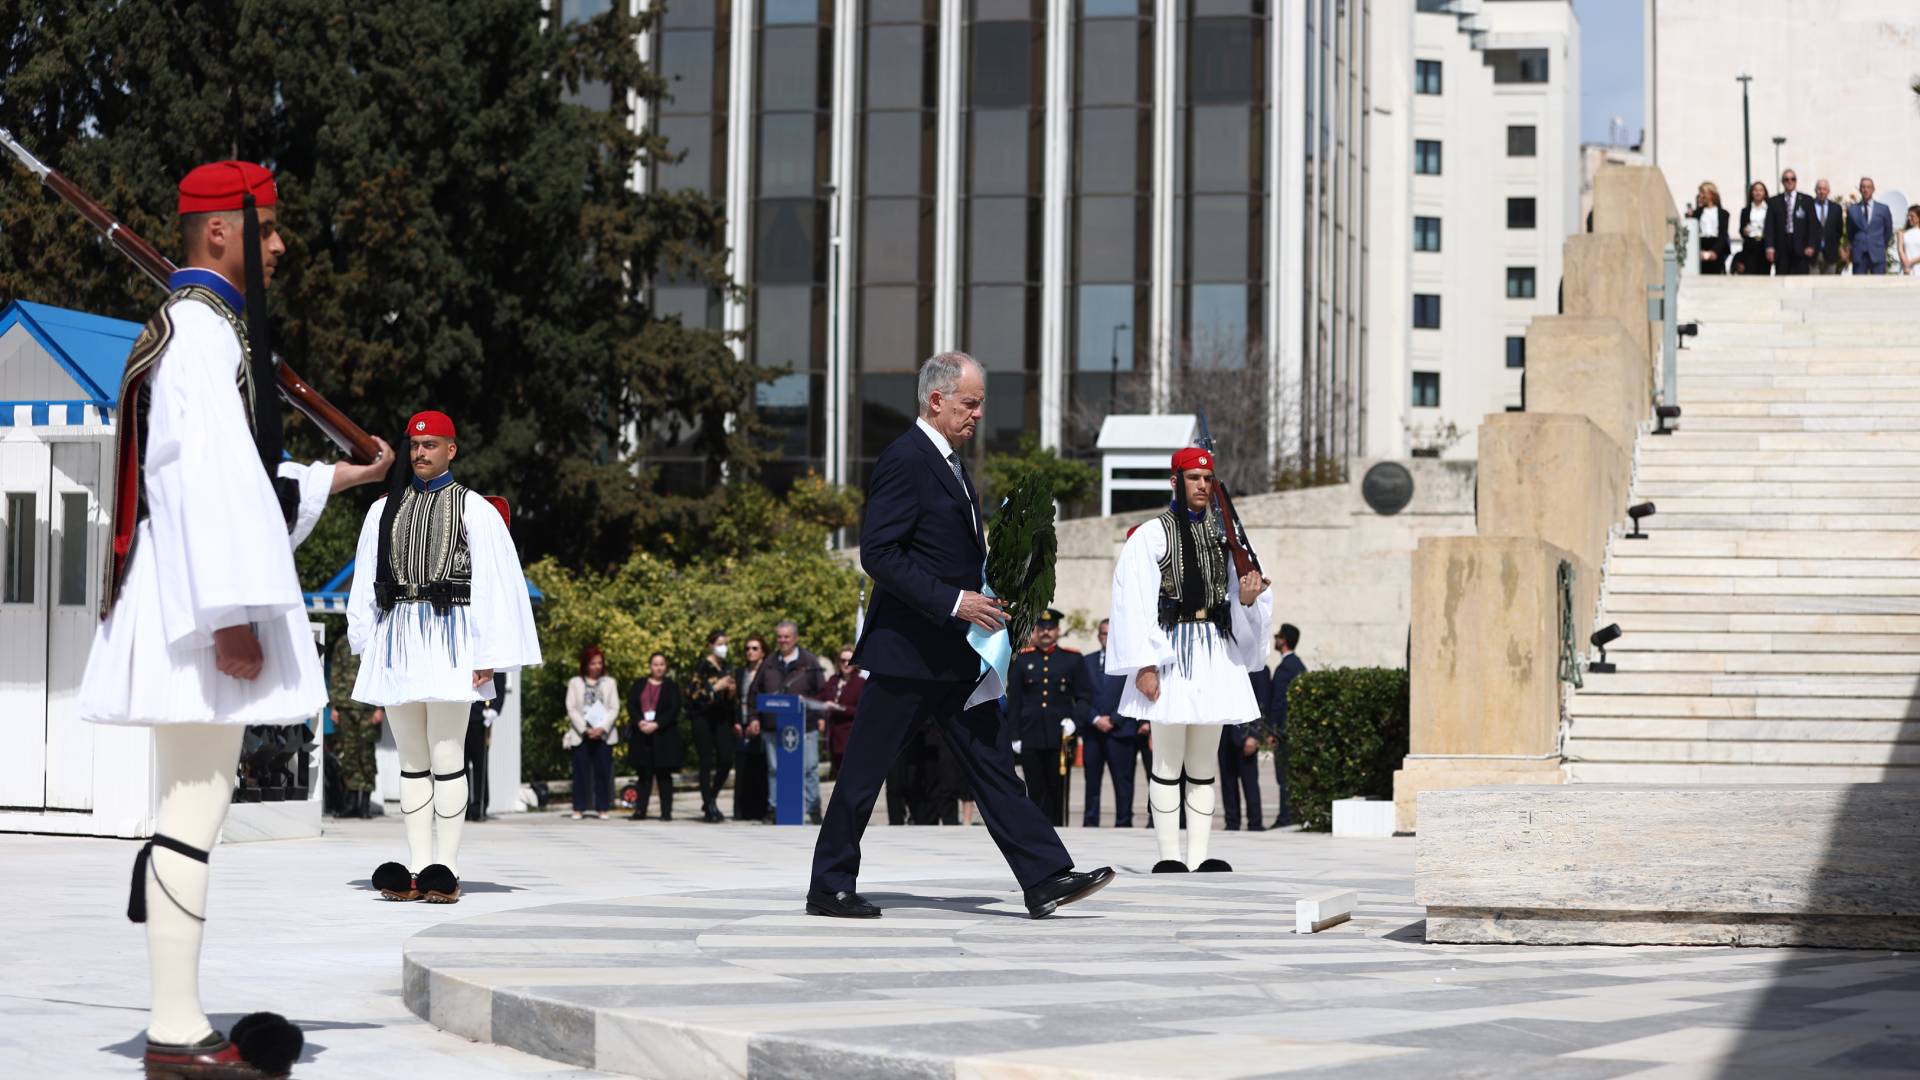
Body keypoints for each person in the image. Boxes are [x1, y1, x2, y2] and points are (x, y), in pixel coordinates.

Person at [77, 159, 394, 1078]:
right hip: (193, 603)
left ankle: (176, 1021)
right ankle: (176, 1033)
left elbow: (246, 480)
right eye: (271, 228)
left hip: (179, 596)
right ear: (222, 232)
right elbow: (204, 487)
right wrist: (232, 616)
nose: (283, 245)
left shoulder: (203, 332)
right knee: (194, 808)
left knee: (189, 803)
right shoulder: (201, 338)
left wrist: (339, 475)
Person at [808, 351, 1113, 919]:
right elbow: (879, 553)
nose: (977, 415)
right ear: (937, 400)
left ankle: (1045, 876)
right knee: (864, 773)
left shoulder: (949, 463)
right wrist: (955, 601)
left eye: (979, 404)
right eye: (970, 404)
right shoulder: (907, 458)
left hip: (954, 653)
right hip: (907, 653)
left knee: (994, 767)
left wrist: (992, 598)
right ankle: (829, 886)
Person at [347, 409, 542, 903]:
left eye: (430, 445)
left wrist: (489, 652)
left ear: (451, 450)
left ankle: (446, 868)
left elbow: (495, 585)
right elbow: (366, 582)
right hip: (398, 639)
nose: (420, 453)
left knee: (447, 753)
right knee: (412, 759)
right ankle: (416, 869)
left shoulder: (474, 508)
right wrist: (366, 643)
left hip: (452, 637)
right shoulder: (382, 509)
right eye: (415, 446)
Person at [1107, 446, 1273, 873]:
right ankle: (1168, 854)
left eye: (1208, 478)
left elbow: (1243, 599)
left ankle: (1198, 856)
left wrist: (1250, 599)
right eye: (1194, 478)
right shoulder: (1151, 535)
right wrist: (1143, 664)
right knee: (1166, 759)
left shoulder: (1225, 536)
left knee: (1203, 763)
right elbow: (1134, 602)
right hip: (1169, 651)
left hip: (1215, 651)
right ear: (1175, 482)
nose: (1202, 485)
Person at [1005, 608, 1090, 827]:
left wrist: (1075, 722)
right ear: (1035, 631)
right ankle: (1037, 830)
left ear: (1057, 631)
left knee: (1057, 788)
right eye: (1041, 628)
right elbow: (1014, 701)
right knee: (1035, 787)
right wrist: (1014, 735)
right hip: (1030, 735)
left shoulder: (1072, 660)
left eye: (1050, 628)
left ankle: (1059, 830)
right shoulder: (1022, 660)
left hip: (1059, 736)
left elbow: (1084, 697)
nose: (1045, 632)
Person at [750, 620, 827, 823]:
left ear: (796, 638)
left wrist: (821, 717)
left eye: (787, 637)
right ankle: (774, 809)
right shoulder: (768, 663)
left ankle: (814, 809)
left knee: (809, 768)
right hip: (773, 726)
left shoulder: (809, 662)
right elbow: (755, 692)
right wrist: (753, 718)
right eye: (779, 637)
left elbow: (822, 692)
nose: (782, 641)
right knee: (774, 769)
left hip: (805, 726)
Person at [1079, 618, 1138, 827]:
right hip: (1093, 731)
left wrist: (1114, 719)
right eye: (1104, 634)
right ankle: (1090, 821)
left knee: (1123, 782)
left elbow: (1133, 694)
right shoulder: (1086, 662)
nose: (1107, 638)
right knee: (1092, 782)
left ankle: (1124, 822)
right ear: (1099, 637)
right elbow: (1079, 696)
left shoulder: (1129, 663)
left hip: (1120, 731)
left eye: (1111, 635)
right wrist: (1095, 718)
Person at [684, 631, 738, 822]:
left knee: (726, 759)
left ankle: (711, 798)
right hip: (702, 718)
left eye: (726, 643)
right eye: (720, 644)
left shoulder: (727, 667)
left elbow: (731, 699)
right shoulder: (702, 666)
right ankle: (709, 805)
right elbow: (693, 694)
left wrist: (731, 692)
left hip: (721, 717)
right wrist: (715, 688)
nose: (724, 647)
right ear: (711, 645)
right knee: (706, 761)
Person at [327, 633, 382, 819]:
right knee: (348, 755)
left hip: (367, 708)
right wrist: (334, 706)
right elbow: (335, 673)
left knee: (365, 756)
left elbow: (381, 672)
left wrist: (380, 707)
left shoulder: (375, 640)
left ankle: (364, 805)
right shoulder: (342, 642)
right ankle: (350, 804)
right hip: (345, 707)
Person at [628, 652, 684, 820]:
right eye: (655, 664)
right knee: (644, 775)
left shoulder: (671, 686)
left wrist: (657, 724)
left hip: (664, 735)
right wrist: (640, 722)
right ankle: (640, 810)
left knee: (664, 776)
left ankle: (666, 812)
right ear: (650, 666)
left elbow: (674, 709)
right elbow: (631, 705)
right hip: (642, 734)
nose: (658, 668)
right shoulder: (639, 684)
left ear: (665, 667)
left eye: (661, 664)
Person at [564, 647, 619, 819]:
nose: (596, 666)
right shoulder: (575, 683)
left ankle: (602, 807)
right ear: (585, 664)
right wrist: (585, 729)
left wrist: (602, 727)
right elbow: (571, 708)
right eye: (593, 663)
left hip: (603, 733)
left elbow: (614, 707)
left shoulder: (610, 683)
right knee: (580, 772)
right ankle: (578, 807)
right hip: (582, 733)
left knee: (603, 772)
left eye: (599, 663)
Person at [1269, 623, 1305, 830]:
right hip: (1292, 730)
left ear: (1283, 640)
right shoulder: (1298, 665)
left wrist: (1274, 731)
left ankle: (1285, 817)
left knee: (1283, 777)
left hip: (1284, 732)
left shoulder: (1285, 669)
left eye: (1277, 636)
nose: (1275, 639)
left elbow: (1280, 703)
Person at [1218, 672, 1265, 831]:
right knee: (1228, 784)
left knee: (1250, 784)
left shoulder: (1259, 669)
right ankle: (1231, 823)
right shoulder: (1221, 666)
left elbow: (1262, 703)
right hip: (1223, 736)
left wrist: (1255, 735)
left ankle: (1255, 824)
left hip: (1246, 737)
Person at [732, 635, 770, 821]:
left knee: (760, 767)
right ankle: (741, 811)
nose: (750, 652)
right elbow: (736, 700)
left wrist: (760, 721)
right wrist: (737, 721)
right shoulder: (740, 673)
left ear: (763, 651)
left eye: (755, 648)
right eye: (748, 648)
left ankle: (760, 810)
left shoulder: (768, 672)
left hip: (762, 724)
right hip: (743, 723)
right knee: (742, 767)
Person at [465, 672, 506, 821]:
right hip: (460, 714)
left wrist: (495, 708)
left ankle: (479, 807)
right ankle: (462, 808)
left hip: (481, 717)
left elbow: (499, 682)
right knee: (459, 767)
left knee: (480, 765)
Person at [821, 645, 865, 777]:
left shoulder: (861, 683)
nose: (846, 664)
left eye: (849, 660)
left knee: (851, 778)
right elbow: (821, 697)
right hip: (834, 738)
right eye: (842, 660)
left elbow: (862, 711)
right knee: (838, 777)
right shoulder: (833, 681)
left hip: (851, 738)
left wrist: (839, 708)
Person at [1765, 169, 1813, 276]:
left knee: (1801, 278)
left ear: (1796, 181)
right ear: (1782, 182)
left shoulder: (1807, 200)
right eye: (1786, 179)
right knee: (1782, 276)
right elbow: (1769, 227)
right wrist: (1770, 247)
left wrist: (1811, 245)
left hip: (1801, 246)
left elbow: (1812, 226)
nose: (1790, 181)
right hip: (1782, 245)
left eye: (1793, 179)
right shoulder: (1774, 201)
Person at [1849, 177, 1894, 275]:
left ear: (1873, 189)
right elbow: (1850, 232)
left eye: (1868, 187)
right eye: (1863, 187)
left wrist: (1881, 244)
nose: (1865, 190)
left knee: (1879, 286)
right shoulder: (1852, 210)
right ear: (1860, 189)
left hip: (1877, 252)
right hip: (1859, 254)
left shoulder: (1883, 209)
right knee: (1859, 286)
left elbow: (1888, 230)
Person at [1691, 182, 1731, 275]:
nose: (1701, 196)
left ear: (1711, 194)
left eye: (1703, 193)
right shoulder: (1697, 213)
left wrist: (1715, 251)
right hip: (1701, 245)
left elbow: (1723, 234)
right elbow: (1693, 233)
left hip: (1716, 247)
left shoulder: (1723, 213)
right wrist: (1698, 250)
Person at [1809, 179, 1844, 275]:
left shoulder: (1836, 208)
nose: (1822, 191)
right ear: (1815, 190)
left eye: (1824, 189)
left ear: (1828, 191)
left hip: (1830, 254)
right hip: (1813, 255)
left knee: (1828, 286)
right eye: (1819, 189)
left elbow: (1839, 230)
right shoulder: (1809, 206)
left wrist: (1834, 245)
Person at [1736, 181, 1770, 275]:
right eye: (1755, 190)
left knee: (1764, 274)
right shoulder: (1746, 210)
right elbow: (1741, 229)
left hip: (1764, 244)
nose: (1758, 193)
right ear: (1751, 193)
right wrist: (1744, 231)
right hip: (1750, 245)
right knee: (1750, 273)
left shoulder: (1769, 209)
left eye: (1761, 190)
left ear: (1765, 193)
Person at [1902, 207, 1920, 276]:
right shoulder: (1903, 233)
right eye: (1908, 216)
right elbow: (1902, 251)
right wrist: (1906, 265)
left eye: (1912, 216)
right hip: (1906, 270)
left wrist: (1910, 262)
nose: (1909, 218)